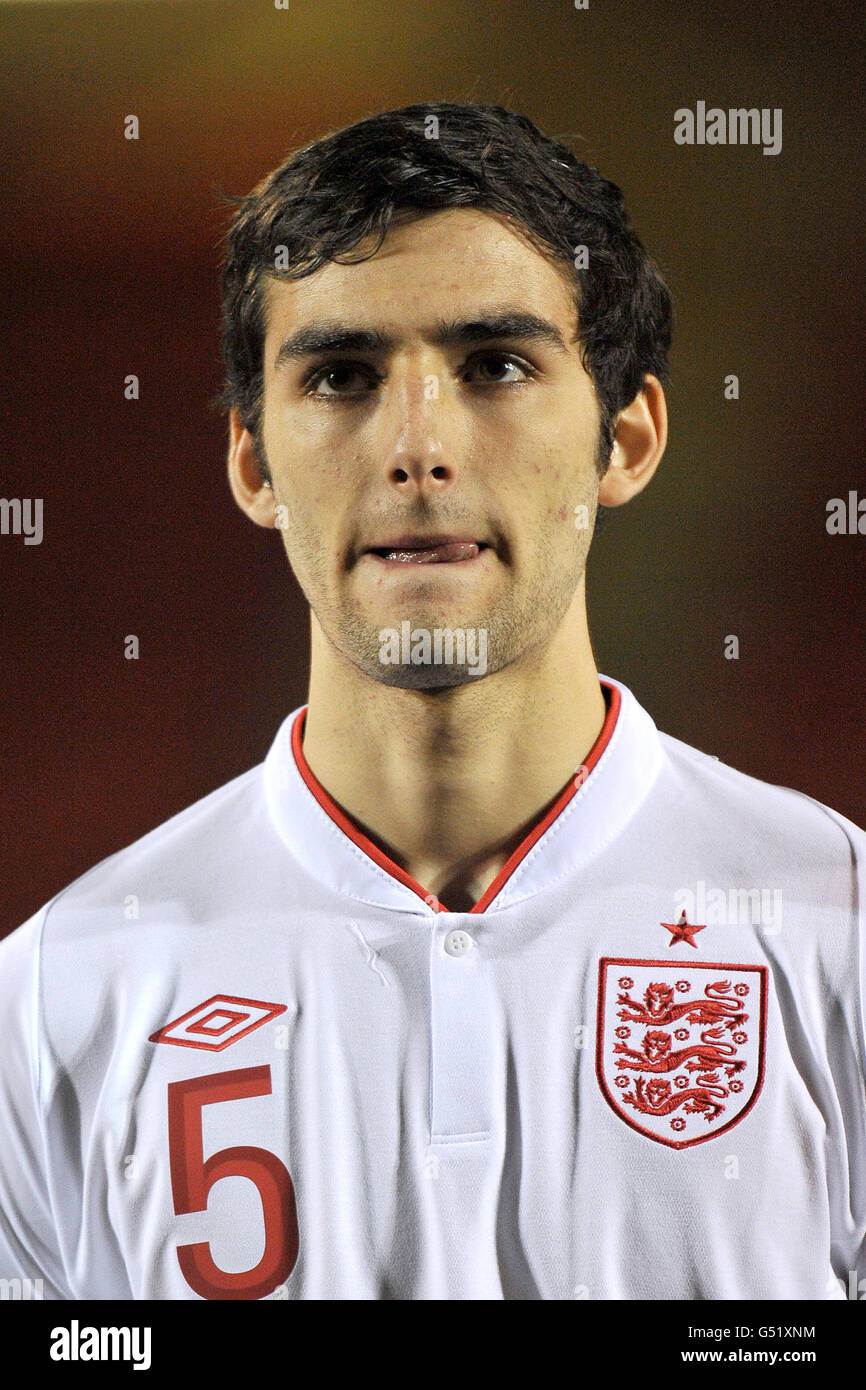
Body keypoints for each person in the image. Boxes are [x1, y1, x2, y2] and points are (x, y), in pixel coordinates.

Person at [0, 102, 862, 1301]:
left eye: (494, 364)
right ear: (253, 463)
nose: (417, 444)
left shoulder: (841, 940)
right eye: (342, 375)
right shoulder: (54, 1001)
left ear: (625, 438)